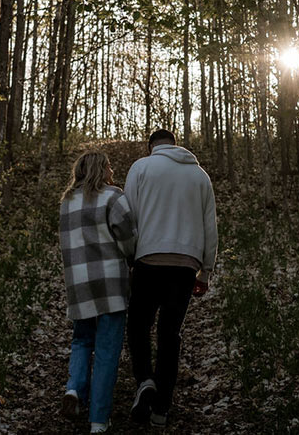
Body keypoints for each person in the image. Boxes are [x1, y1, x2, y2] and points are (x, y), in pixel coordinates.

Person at [124, 129, 218, 428]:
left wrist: (130, 257)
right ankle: (161, 408)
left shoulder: (141, 167)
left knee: (138, 325)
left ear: (151, 146)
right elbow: (210, 225)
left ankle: (145, 381)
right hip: (186, 263)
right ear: (175, 146)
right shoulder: (199, 175)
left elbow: (129, 217)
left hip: (149, 259)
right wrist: (206, 270)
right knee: (170, 333)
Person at [59, 150, 137, 434]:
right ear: (100, 169)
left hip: (79, 283)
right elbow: (128, 239)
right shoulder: (113, 197)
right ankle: (98, 420)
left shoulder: (67, 201)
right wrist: (130, 256)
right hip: (110, 283)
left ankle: (74, 389)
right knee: (106, 351)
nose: (112, 171)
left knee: (81, 340)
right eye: (109, 166)